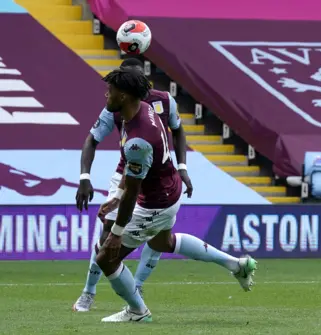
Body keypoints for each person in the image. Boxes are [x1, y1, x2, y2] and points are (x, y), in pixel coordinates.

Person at [94, 68, 257, 323]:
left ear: (124, 96)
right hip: (169, 190)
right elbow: (136, 170)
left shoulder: (138, 140)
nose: (106, 94)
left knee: (106, 257)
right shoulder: (144, 109)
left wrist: (116, 233)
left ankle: (138, 311)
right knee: (162, 243)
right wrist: (117, 196)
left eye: (111, 90)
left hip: (155, 204)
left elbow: (134, 188)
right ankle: (236, 265)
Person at [73, 58, 194, 312]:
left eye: (114, 87)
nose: (108, 92)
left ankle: (137, 305)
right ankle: (92, 291)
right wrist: (91, 181)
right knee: (153, 241)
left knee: (113, 249)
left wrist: (118, 228)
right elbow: (92, 140)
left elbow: (176, 132)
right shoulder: (135, 109)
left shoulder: (148, 121)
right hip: (139, 175)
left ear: (128, 92)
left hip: (153, 185)